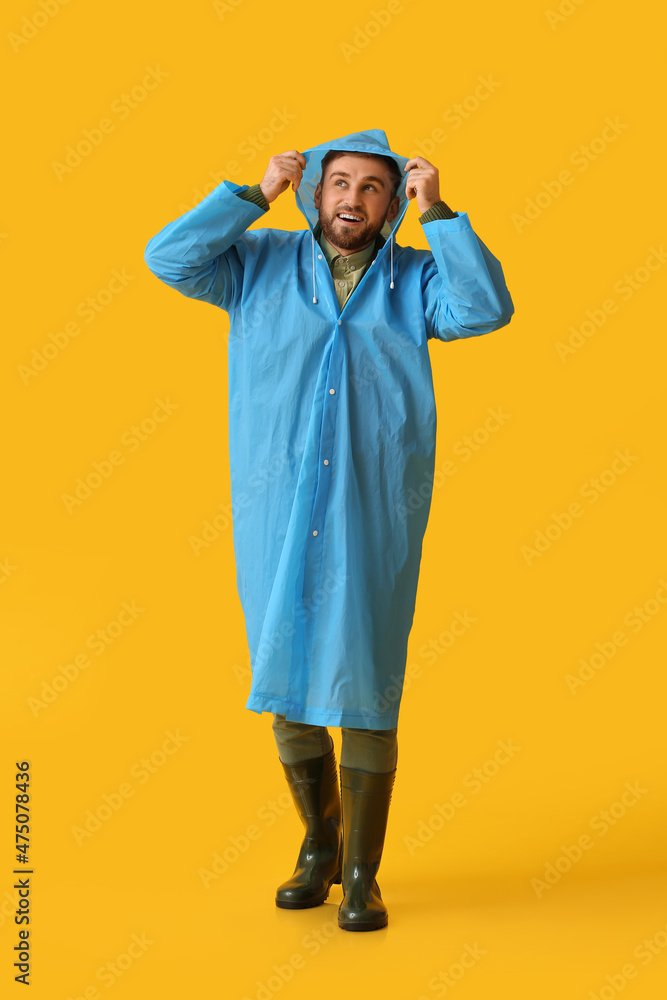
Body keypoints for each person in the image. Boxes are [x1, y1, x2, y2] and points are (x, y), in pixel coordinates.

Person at [144, 128, 514, 931]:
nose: (353, 197)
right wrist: (249, 196)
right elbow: (169, 257)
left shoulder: (415, 279)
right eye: (338, 182)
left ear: (393, 204)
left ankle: (360, 873)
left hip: (372, 504)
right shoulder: (258, 264)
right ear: (315, 192)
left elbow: (485, 310)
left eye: (373, 187)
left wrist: (441, 213)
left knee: (368, 672)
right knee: (284, 665)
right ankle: (317, 844)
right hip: (275, 506)